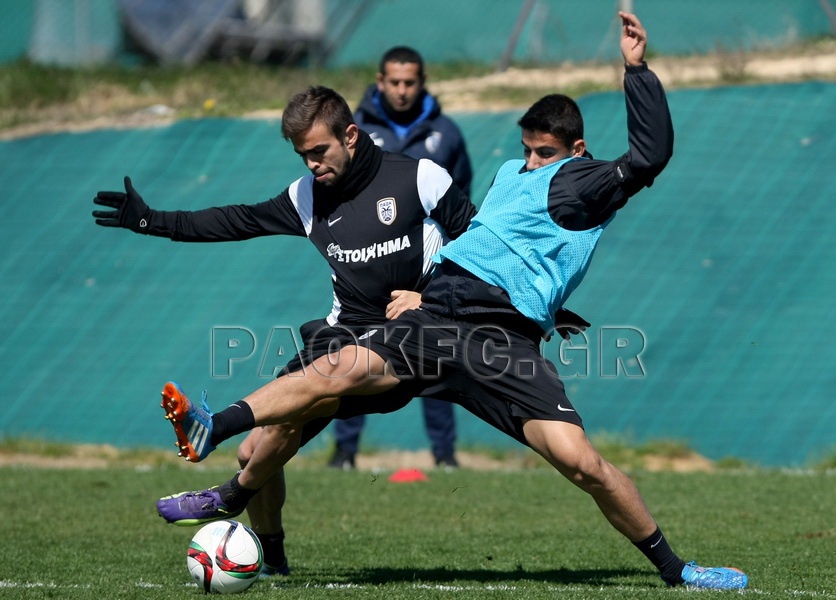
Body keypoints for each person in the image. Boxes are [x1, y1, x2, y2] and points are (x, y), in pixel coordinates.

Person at [149, 12, 748, 590]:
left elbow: (649, 156)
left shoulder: (578, 179)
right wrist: (429, 288)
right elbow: (487, 244)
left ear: (575, 150)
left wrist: (637, 72)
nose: (529, 160)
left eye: (543, 151)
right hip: (438, 317)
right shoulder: (514, 173)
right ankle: (216, 433)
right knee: (332, 369)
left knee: (581, 463)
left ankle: (678, 570)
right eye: (528, 148)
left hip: (501, 340)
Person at [93, 86, 587, 576]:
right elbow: (236, 220)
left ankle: (221, 468)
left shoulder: (418, 177)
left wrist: (525, 306)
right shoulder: (306, 196)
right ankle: (272, 558)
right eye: (302, 154)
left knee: (280, 427)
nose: (311, 164)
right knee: (256, 450)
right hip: (341, 334)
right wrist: (150, 220)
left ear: (350, 135)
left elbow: (485, 246)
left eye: (318, 151)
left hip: (414, 338)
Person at [329, 45, 474, 470]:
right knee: (354, 357)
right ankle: (344, 452)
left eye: (410, 82)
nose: (402, 90)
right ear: (380, 81)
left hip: (428, 270)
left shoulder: (446, 133)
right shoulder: (355, 131)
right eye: (394, 81)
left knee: (433, 358)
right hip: (368, 264)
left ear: (421, 82)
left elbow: (458, 199)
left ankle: (445, 456)